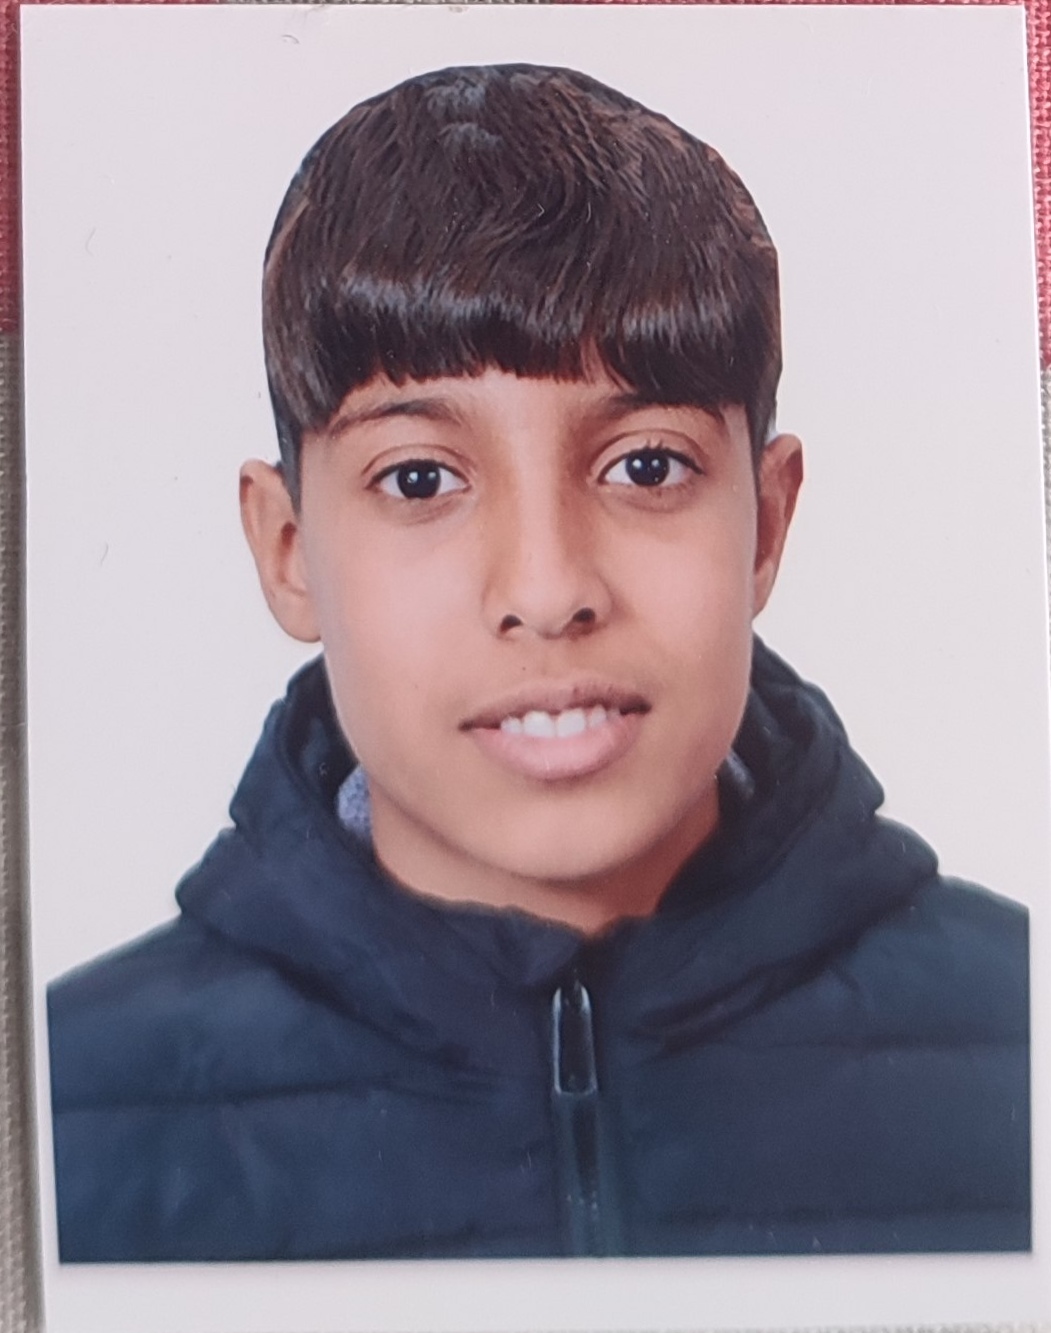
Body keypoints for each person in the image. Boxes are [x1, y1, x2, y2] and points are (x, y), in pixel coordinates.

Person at [47, 63, 1029, 1263]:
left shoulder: (1016, 1029)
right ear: (289, 550)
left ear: (766, 524)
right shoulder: (67, 1100)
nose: (549, 589)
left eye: (646, 465)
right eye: (420, 478)